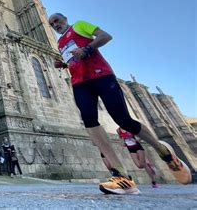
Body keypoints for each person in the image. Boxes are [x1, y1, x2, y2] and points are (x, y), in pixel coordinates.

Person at [48, 13, 191, 195]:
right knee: (89, 121)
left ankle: (163, 150)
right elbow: (75, 60)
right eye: (52, 24)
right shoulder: (60, 44)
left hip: (101, 75)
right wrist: (64, 64)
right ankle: (121, 175)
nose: (55, 25)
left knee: (122, 119)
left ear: (65, 19)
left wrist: (88, 49)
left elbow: (105, 36)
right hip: (79, 83)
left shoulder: (80, 26)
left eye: (57, 21)